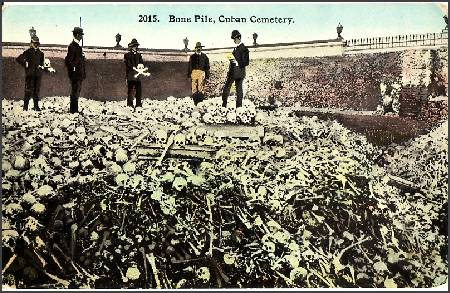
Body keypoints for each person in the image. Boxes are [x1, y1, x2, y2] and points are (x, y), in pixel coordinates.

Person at [222, 30, 249, 108]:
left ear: (239, 38)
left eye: (235, 39)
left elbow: (246, 62)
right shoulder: (237, 48)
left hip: (237, 72)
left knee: (230, 87)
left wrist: (236, 61)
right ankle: (236, 106)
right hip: (235, 72)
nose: (234, 41)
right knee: (235, 89)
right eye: (233, 39)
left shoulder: (244, 49)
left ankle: (226, 105)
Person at [16, 36, 44, 111]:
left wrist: (41, 67)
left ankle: (36, 106)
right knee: (28, 91)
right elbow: (19, 58)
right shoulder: (28, 52)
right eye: (34, 43)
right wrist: (25, 63)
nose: (36, 45)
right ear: (31, 43)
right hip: (30, 75)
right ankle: (25, 107)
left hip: (37, 75)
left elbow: (42, 63)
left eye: (37, 43)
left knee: (36, 91)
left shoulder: (41, 53)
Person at [65, 27, 86, 113]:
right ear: (77, 35)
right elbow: (69, 60)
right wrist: (73, 69)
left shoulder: (77, 47)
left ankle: (74, 109)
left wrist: (82, 56)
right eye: (81, 35)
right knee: (75, 91)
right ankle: (73, 110)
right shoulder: (72, 46)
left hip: (78, 73)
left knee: (76, 91)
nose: (81, 37)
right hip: (75, 74)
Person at [124, 38, 144, 108]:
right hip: (131, 76)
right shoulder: (127, 55)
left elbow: (142, 63)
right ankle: (130, 104)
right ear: (132, 47)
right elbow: (128, 65)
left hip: (137, 77)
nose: (136, 47)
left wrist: (141, 67)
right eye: (134, 46)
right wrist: (135, 69)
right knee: (130, 90)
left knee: (139, 91)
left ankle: (138, 104)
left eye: (136, 46)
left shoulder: (139, 55)